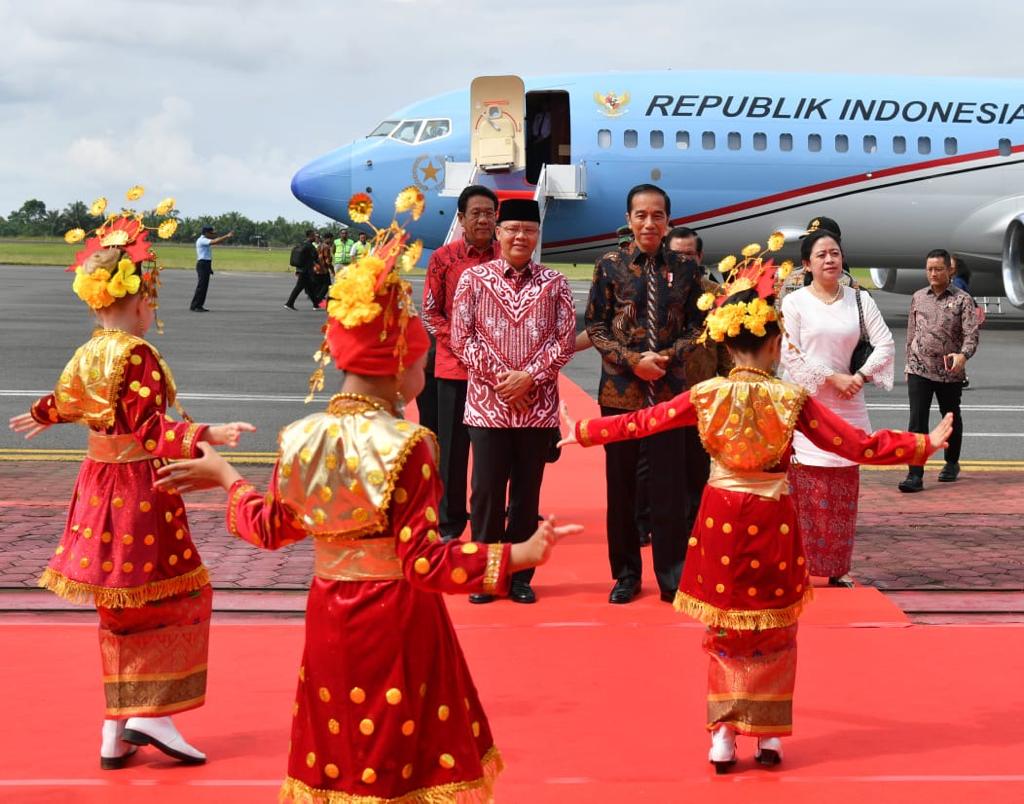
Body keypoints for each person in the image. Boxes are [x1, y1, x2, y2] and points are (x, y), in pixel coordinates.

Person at [154, 201, 580, 801]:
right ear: (401, 369)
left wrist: (227, 476)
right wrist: (515, 554)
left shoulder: (302, 438)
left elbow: (270, 529)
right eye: (421, 364)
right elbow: (424, 564)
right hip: (399, 621)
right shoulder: (409, 444)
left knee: (343, 748)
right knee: (402, 755)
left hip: (329, 617)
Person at [559, 245, 952, 772]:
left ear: (727, 344)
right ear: (773, 347)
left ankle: (722, 734)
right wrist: (919, 447)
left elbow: (639, 423)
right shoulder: (791, 401)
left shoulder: (706, 396)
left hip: (721, 517)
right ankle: (767, 735)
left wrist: (585, 430)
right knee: (774, 629)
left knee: (724, 629)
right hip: (772, 519)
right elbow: (855, 445)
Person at [9, 193, 254, 769]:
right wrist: (205, 436)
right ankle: (151, 711)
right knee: (174, 594)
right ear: (141, 299)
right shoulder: (138, 354)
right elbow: (149, 430)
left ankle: (115, 726)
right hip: (139, 492)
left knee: (118, 606)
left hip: (97, 487)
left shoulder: (91, 350)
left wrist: (43, 414)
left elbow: (69, 399)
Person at [584, 183, 707, 605]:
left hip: (671, 395)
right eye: (641, 215)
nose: (649, 223)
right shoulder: (609, 265)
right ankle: (625, 574)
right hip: (620, 394)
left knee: (668, 489)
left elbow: (698, 328)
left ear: (668, 220)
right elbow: (596, 327)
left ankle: (671, 573)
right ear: (629, 219)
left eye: (657, 216)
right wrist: (631, 359)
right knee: (620, 489)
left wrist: (669, 356)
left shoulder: (687, 270)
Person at [450, 198, 576, 604]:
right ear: (498, 233)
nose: (520, 236)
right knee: (485, 495)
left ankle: (519, 576)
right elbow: (461, 338)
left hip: (536, 412)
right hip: (487, 408)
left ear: (537, 236)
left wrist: (529, 379)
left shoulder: (555, 283)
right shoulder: (473, 279)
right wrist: (503, 382)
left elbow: (564, 342)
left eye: (528, 229)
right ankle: (485, 575)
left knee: (526, 497)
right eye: (512, 229)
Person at [780, 229, 895, 587]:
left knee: (843, 492)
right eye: (821, 255)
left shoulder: (860, 300)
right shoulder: (795, 302)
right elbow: (790, 353)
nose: (830, 260)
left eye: (835, 253)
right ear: (806, 264)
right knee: (806, 490)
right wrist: (832, 378)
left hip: (849, 404)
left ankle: (836, 567)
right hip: (809, 405)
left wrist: (858, 377)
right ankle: (801, 565)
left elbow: (885, 344)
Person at [422, 185, 500, 541]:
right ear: (461, 218)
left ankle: (492, 521)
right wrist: (465, 348)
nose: (483, 219)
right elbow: (431, 312)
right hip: (454, 369)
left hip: (499, 374)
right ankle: (450, 523)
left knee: (496, 454)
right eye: (476, 213)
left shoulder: (507, 257)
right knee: (452, 452)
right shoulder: (444, 258)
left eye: (489, 213)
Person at [898, 248, 980, 492]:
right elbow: (911, 332)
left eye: (938, 269)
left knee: (950, 416)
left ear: (950, 270)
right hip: (918, 368)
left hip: (948, 371)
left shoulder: (963, 300)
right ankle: (915, 474)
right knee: (917, 421)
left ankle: (951, 462)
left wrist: (963, 356)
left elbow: (971, 335)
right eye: (929, 269)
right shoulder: (918, 297)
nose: (933, 274)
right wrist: (907, 362)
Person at [190, 224, 233, 312]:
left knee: (204, 286)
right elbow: (215, 241)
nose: (212, 234)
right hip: (202, 264)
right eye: (211, 233)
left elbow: (214, 241)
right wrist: (227, 236)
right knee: (201, 286)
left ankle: (198, 305)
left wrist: (209, 268)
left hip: (205, 264)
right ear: (206, 233)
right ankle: (196, 306)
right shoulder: (202, 240)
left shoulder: (205, 239)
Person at [284, 229, 319, 310]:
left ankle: (315, 304)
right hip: (306, 271)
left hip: (300, 269)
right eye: (314, 236)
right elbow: (316, 257)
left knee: (310, 287)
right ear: (310, 236)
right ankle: (289, 303)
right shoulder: (310, 246)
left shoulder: (301, 244)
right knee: (299, 287)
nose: (315, 237)